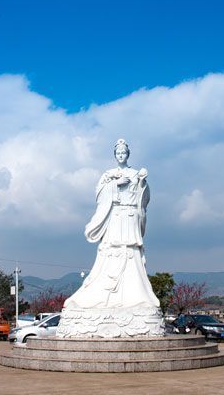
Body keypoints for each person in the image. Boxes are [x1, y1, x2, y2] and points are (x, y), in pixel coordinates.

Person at [58, 139, 162, 338]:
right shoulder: (108, 175)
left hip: (130, 217)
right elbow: (99, 196)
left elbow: (144, 199)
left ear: (128, 154)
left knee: (130, 253)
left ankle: (136, 295)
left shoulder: (134, 173)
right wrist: (115, 185)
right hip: (114, 218)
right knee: (110, 252)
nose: (121, 155)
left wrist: (141, 184)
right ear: (115, 155)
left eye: (124, 152)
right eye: (118, 153)